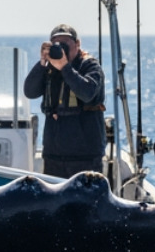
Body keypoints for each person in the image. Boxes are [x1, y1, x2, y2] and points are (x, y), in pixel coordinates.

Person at [23, 23, 106, 178]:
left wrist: (65, 67)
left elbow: (87, 93)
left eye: (65, 43)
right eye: (57, 43)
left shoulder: (90, 66)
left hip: (85, 157)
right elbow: (29, 91)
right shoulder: (49, 69)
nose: (61, 47)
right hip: (54, 156)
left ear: (77, 44)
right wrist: (42, 63)